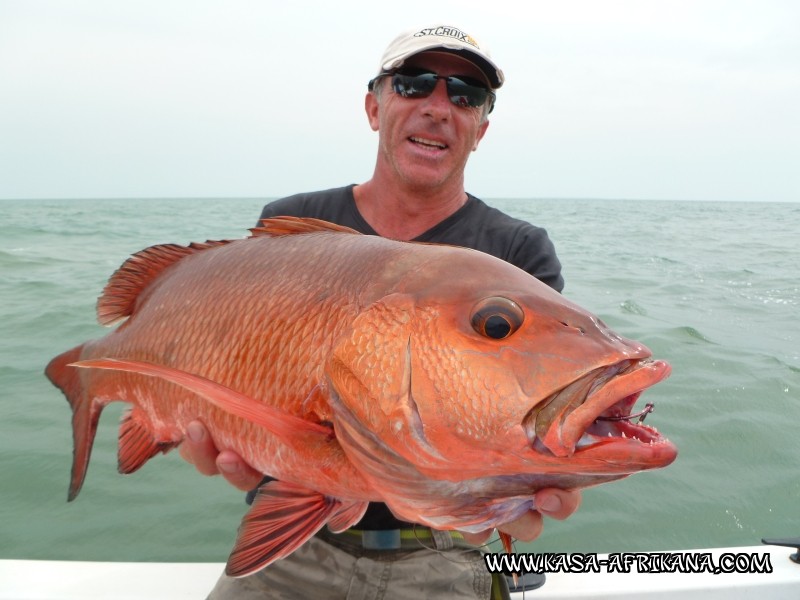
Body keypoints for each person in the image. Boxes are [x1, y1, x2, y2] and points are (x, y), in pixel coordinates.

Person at [182, 24, 582, 600]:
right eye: (415, 84)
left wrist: (547, 474)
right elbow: (233, 362)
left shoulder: (518, 254)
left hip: (446, 552)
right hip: (297, 542)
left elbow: (544, 406)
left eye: (466, 95)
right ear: (374, 107)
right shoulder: (292, 225)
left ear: (481, 130)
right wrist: (221, 426)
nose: (439, 108)